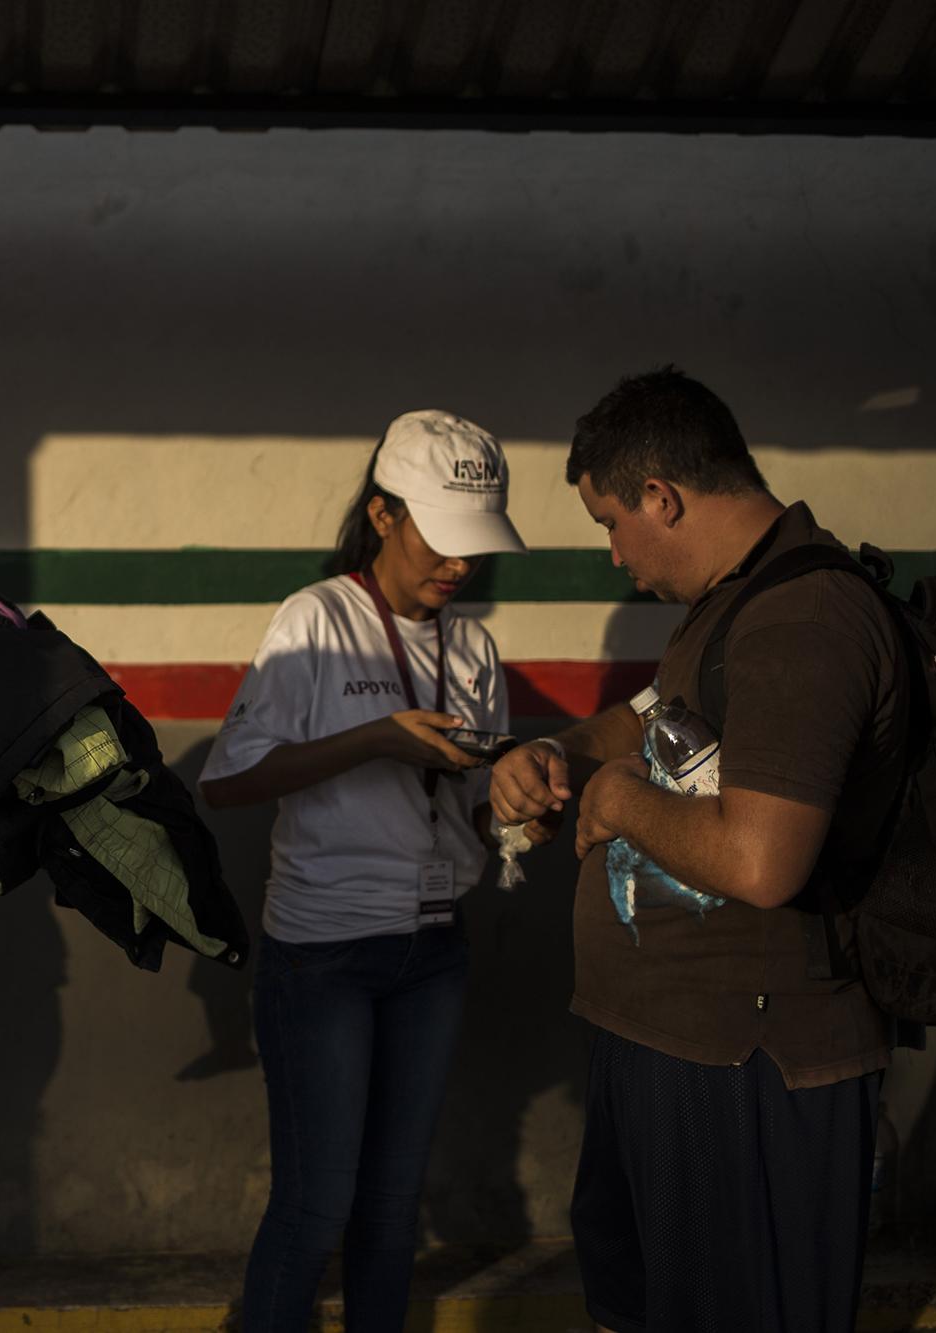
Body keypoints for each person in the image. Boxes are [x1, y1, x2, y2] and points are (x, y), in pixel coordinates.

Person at [489, 367, 905, 1333]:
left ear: (661, 497)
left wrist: (622, 802)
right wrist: (556, 752)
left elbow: (762, 861)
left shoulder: (802, 620)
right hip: (673, 1048)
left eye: (608, 523)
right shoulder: (727, 608)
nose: (612, 555)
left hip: (751, 1070)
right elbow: (646, 724)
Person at [199, 410, 548, 1332]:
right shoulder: (315, 621)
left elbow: (465, 802)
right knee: (316, 1209)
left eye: (475, 545)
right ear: (384, 512)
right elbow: (228, 780)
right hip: (324, 954)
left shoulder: (472, 648)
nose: (460, 565)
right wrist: (374, 739)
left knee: (391, 1214)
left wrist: (510, 806)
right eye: (442, 536)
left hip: (434, 949)